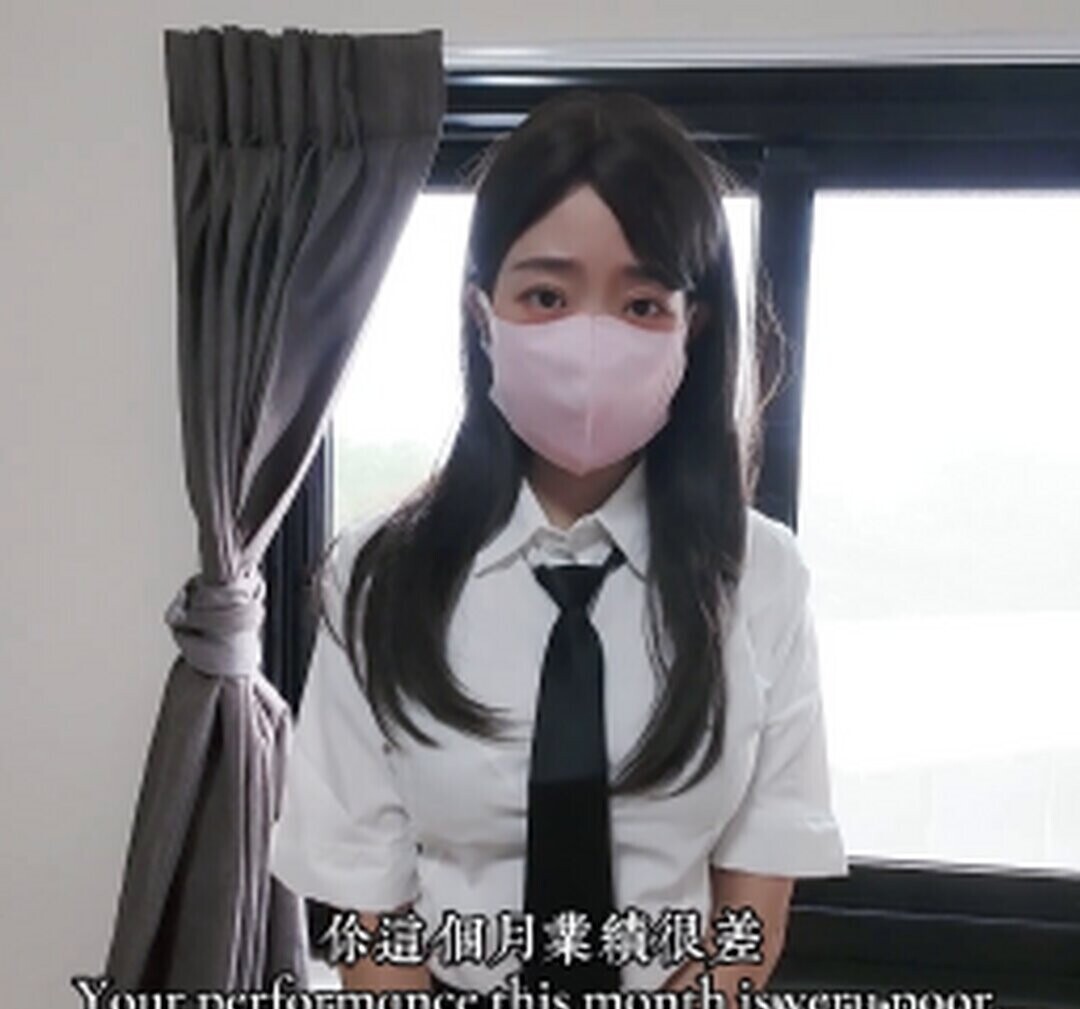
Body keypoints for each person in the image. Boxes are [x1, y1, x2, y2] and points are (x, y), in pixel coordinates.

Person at [268, 89, 848, 1005]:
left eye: (641, 302)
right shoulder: (374, 577)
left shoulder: (762, 576)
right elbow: (365, 899)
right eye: (546, 295)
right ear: (482, 313)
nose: (590, 340)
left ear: (692, 326)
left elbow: (754, 902)